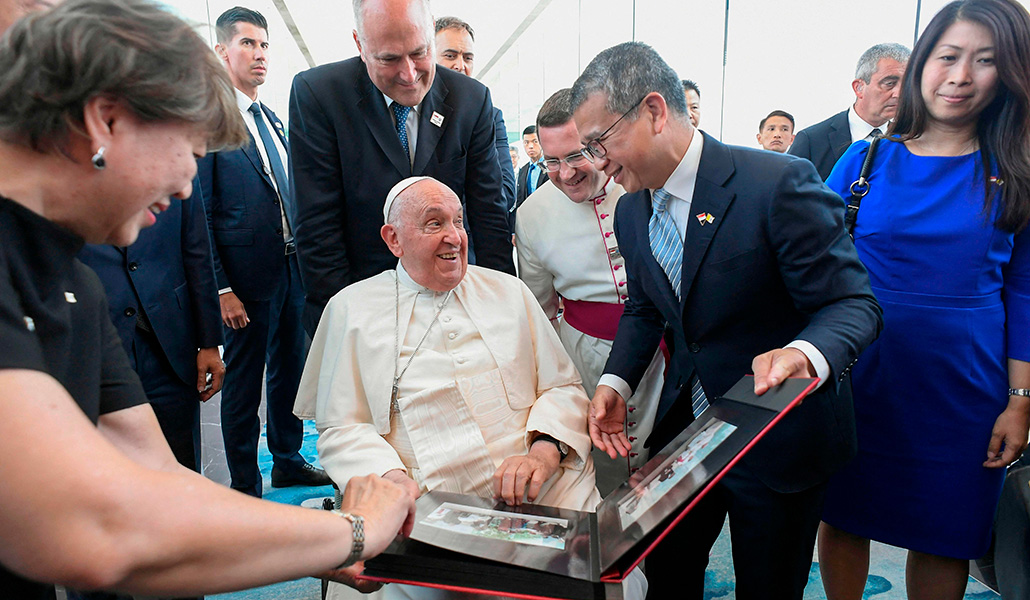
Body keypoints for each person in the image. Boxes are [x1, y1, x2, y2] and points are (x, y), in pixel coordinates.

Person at [0, 1, 414, 599]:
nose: (188, 184)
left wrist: (321, 537)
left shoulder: (70, 281)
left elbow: (158, 477)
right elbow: (97, 529)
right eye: (188, 150)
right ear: (103, 121)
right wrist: (354, 532)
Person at [571, 42, 882, 600]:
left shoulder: (777, 183)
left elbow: (853, 304)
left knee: (767, 585)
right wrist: (616, 382)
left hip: (776, 434)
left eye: (600, 142)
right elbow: (646, 308)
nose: (597, 162)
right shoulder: (631, 208)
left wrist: (804, 354)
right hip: (684, 438)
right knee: (668, 577)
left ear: (654, 111)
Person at [295, 177, 647, 599]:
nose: (454, 237)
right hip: (426, 505)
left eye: (458, 222)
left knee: (606, 577)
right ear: (394, 239)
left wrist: (543, 452)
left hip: (542, 491)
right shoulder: (351, 309)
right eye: (433, 223)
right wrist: (391, 482)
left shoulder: (508, 291)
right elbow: (341, 426)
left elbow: (562, 388)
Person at [818, 2, 1030, 598]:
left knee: (946, 531)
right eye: (948, 56)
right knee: (844, 515)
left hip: (965, 386)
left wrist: (1020, 401)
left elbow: (1025, 289)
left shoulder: (1016, 171)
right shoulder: (864, 161)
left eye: (984, 60)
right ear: (922, 65)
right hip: (863, 374)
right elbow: (810, 263)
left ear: (1008, 73)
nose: (961, 75)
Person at [289, 0, 514, 335]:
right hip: (362, 299)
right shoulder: (320, 94)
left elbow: (489, 215)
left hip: (452, 299)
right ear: (360, 45)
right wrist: (344, 324)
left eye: (420, 53)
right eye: (389, 59)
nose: (409, 75)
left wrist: (502, 305)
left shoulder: (471, 99)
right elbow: (318, 225)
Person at [198, 6, 329, 498]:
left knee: (290, 374)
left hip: (290, 269)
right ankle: (245, 486)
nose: (259, 54)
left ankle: (289, 460)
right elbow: (202, 215)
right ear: (221, 51)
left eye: (264, 45)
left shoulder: (270, 117)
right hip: (244, 281)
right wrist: (221, 288)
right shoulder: (213, 121)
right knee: (244, 385)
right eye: (247, 44)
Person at [514, 88, 664, 495]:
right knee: (605, 470)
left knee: (670, 468)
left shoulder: (641, 183)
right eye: (552, 161)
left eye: (577, 155)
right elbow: (540, 312)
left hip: (667, 354)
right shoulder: (531, 215)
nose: (565, 173)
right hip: (585, 357)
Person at [79, 179, 224, 476]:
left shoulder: (175, 163)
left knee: (181, 465)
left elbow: (197, 252)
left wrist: (209, 342)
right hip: (95, 343)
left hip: (170, 343)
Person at [433, 15, 516, 234]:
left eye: (467, 58)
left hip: (469, 243)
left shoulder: (490, 116)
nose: (460, 65)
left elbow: (505, 192)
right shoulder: (410, 114)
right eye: (450, 55)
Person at [790, 43, 910, 179]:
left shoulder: (910, 142)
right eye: (889, 83)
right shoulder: (812, 141)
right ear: (859, 88)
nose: (899, 93)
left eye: (906, 85)